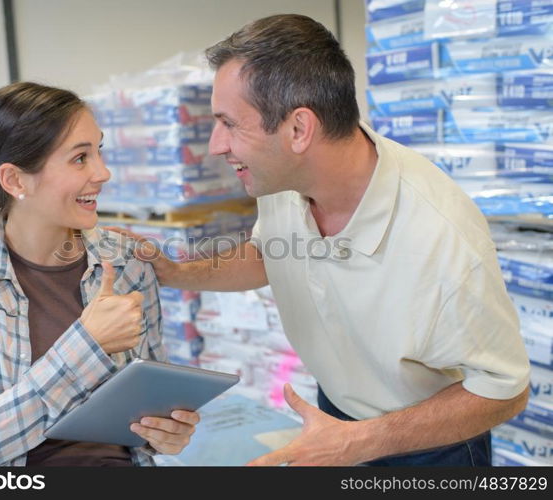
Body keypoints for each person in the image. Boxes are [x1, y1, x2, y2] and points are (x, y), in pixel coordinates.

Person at [107, 14, 530, 466]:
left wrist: (359, 442)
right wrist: (177, 272)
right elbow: (268, 253)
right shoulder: (283, 183)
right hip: (334, 412)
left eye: (229, 124)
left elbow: (506, 391)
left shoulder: (440, 238)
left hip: (427, 446)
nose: (215, 145)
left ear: (298, 129)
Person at [0, 82, 199, 466]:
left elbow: (148, 409)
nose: (103, 173)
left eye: (99, 151)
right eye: (80, 158)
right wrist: (88, 343)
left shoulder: (128, 264)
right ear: (16, 180)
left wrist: (165, 433)